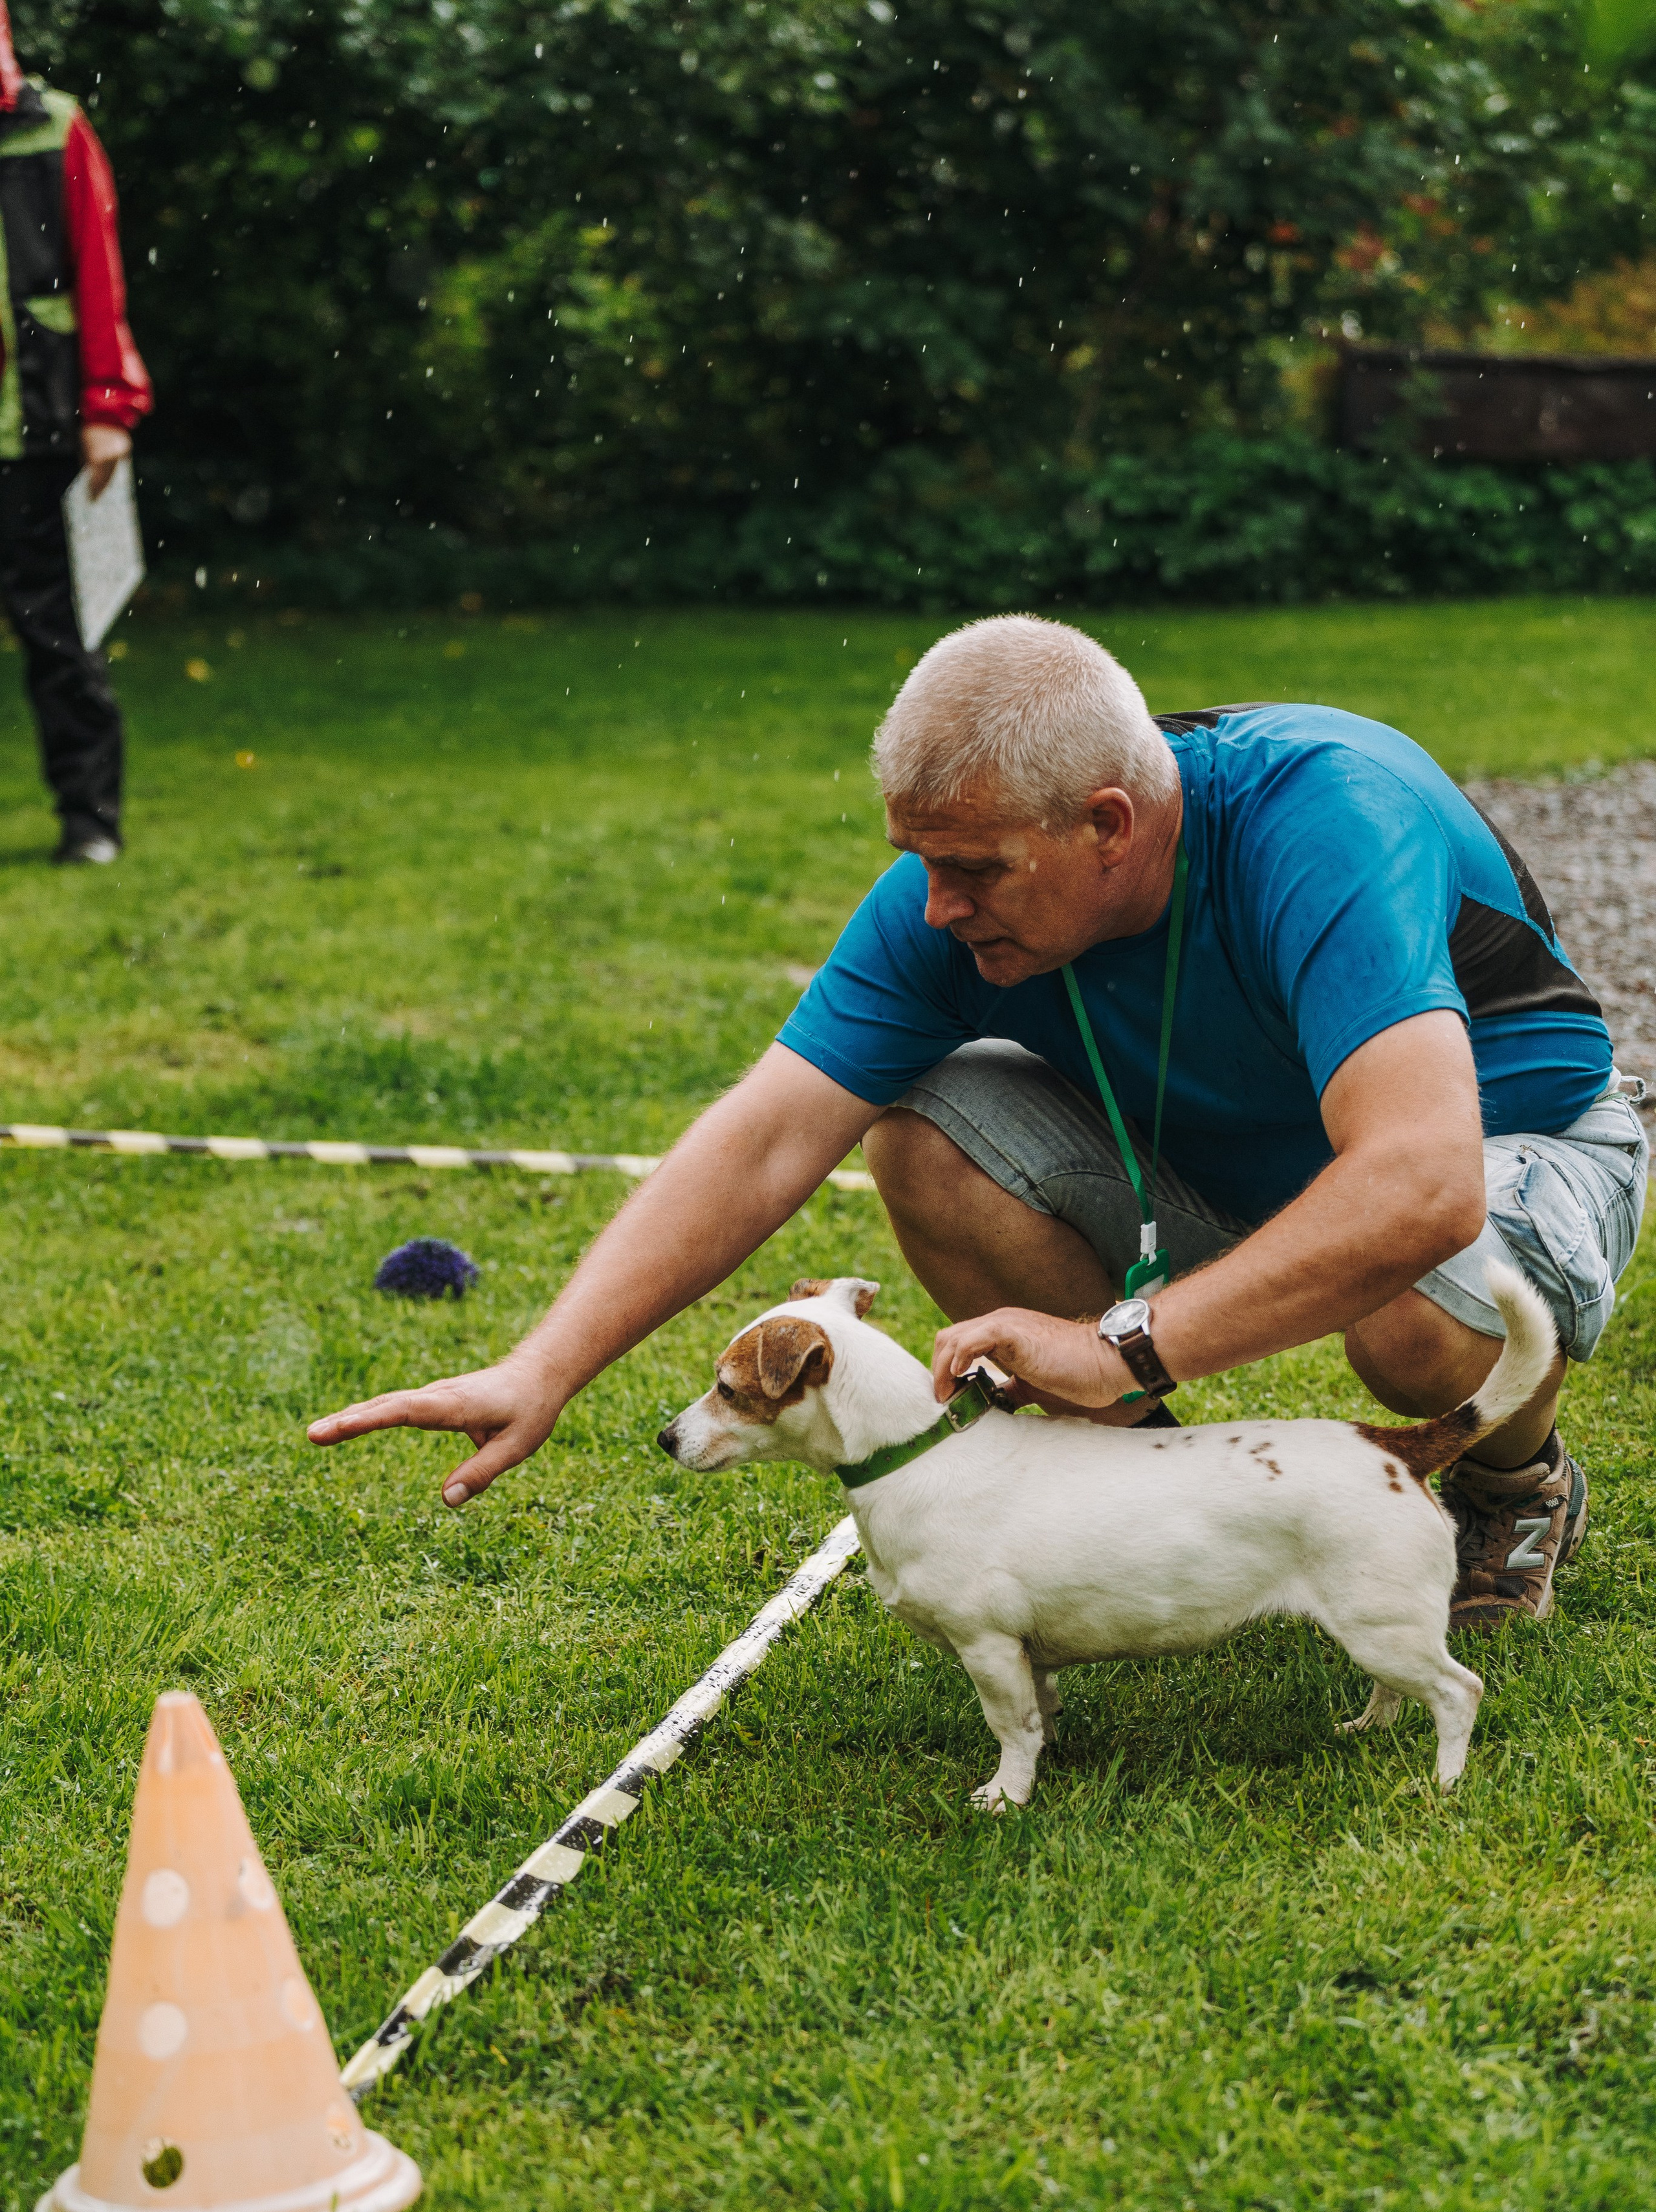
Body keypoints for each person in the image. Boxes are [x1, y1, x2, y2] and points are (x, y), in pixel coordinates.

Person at [309, 617, 1648, 1636]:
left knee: (1406, 1314)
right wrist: (544, 1365)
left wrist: (1117, 1344)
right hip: (1214, 1167)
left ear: (1108, 824)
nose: (936, 906)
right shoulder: (957, 887)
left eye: (970, 869)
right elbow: (767, 1135)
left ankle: (1513, 1484)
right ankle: (1145, 1505)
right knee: (922, 1134)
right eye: (918, 861)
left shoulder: (1323, 815)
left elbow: (1415, 1185)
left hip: (1517, 1146)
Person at [0, 3, 151, 866]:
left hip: (41, 425)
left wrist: (107, 408)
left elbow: (99, 271)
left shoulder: (53, 129)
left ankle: (89, 819)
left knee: (59, 635)